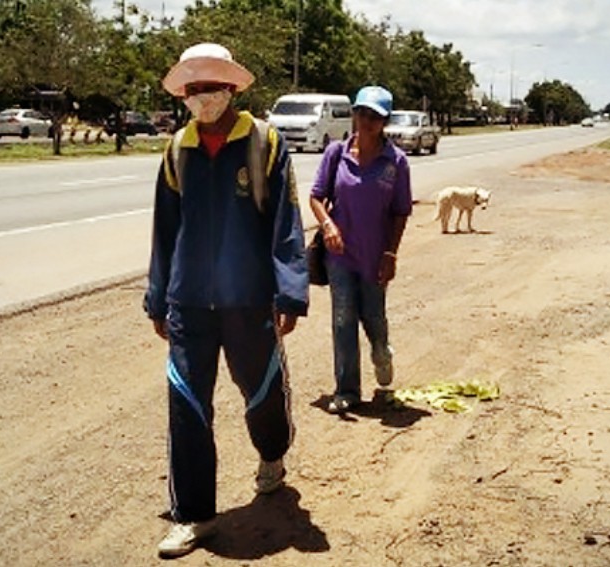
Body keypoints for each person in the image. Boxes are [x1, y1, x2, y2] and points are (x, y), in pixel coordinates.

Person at [143, 43, 309, 559]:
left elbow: (285, 222)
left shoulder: (264, 142)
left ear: (232, 87)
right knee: (187, 405)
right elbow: (164, 231)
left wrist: (290, 290)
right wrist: (157, 298)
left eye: (210, 85)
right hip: (189, 302)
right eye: (192, 88)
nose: (201, 96)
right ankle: (194, 515)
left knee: (260, 394)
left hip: (249, 300)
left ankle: (272, 456)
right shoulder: (177, 149)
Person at [308, 85, 413, 414]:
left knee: (373, 317)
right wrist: (327, 225)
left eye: (375, 117)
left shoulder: (395, 162)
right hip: (339, 254)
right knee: (342, 319)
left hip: (375, 255)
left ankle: (381, 352)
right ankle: (348, 390)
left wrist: (391, 254)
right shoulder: (336, 153)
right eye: (362, 113)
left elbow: (400, 212)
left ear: (385, 122)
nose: (366, 121)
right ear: (354, 113)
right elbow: (316, 196)